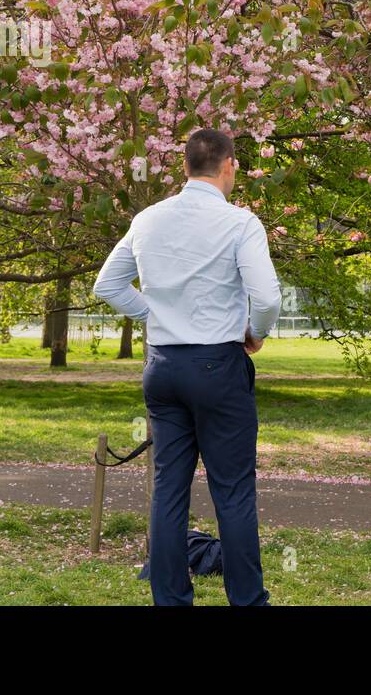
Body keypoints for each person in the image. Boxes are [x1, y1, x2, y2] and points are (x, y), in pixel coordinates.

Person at [94, 127, 282, 606]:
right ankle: (246, 600)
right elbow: (266, 297)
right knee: (233, 491)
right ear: (230, 165)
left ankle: (171, 599)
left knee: (169, 490)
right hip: (218, 363)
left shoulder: (148, 218)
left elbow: (108, 286)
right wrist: (254, 332)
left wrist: (154, 315)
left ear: (185, 167)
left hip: (163, 367)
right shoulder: (241, 223)